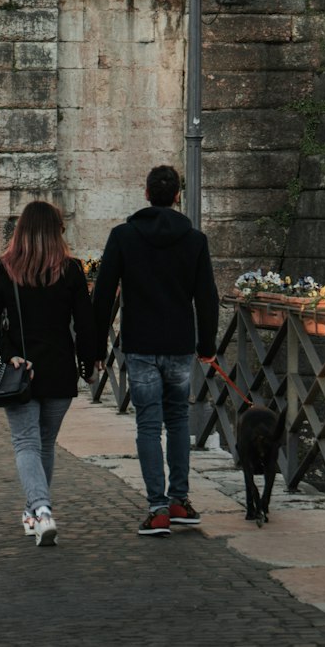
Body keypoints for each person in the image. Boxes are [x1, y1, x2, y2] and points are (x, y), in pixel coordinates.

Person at [92, 164, 219, 537]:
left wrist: (97, 344)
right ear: (177, 196)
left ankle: (158, 508)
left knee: (148, 424)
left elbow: (103, 294)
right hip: (179, 344)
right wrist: (207, 345)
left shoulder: (123, 236)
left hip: (141, 344)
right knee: (178, 420)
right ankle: (180, 499)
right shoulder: (195, 240)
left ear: (146, 193)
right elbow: (206, 298)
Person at [0, 201, 96, 547]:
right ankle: (34, 512)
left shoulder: (7, 269)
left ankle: (41, 511)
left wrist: (10, 355)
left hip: (21, 370)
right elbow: (85, 324)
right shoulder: (72, 270)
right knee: (44, 443)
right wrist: (89, 365)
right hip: (60, 369)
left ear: (22, 231)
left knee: (26, 442)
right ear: (56, 231)